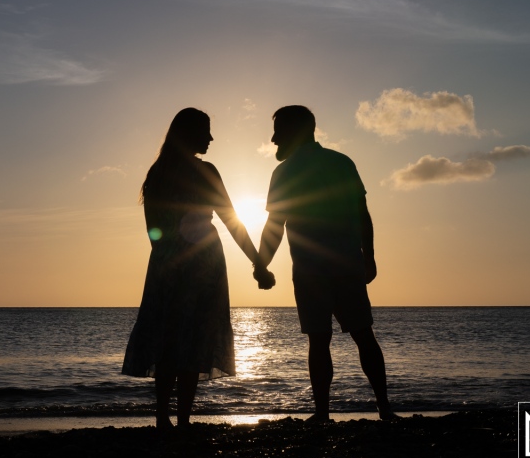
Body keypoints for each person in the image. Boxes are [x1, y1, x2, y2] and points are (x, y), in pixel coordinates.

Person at [122, 107, 274, 430]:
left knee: (169, 339)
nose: (210, 137)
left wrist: (168, 258)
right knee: (192, 341)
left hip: (166, 265)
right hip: (204, 265)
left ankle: (163, 418)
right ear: (189, 133)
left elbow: (153, 230)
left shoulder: (157, 174)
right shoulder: (206, 172)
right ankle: (183, 420)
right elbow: (232, 221)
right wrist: (257, 263)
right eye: (205, 131)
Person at [254, 105, 397, 421]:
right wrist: (369, 257)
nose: (274, 138)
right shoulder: (340, 162)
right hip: (346, 263)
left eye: (279, 131)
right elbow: (363, 215)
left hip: (310, 269)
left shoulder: (285, 172)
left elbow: (276, 225)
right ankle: (384, 409)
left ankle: (322, 414)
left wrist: (261, 265)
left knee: (320, 340)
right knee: (363, 336)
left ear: (296, 132)